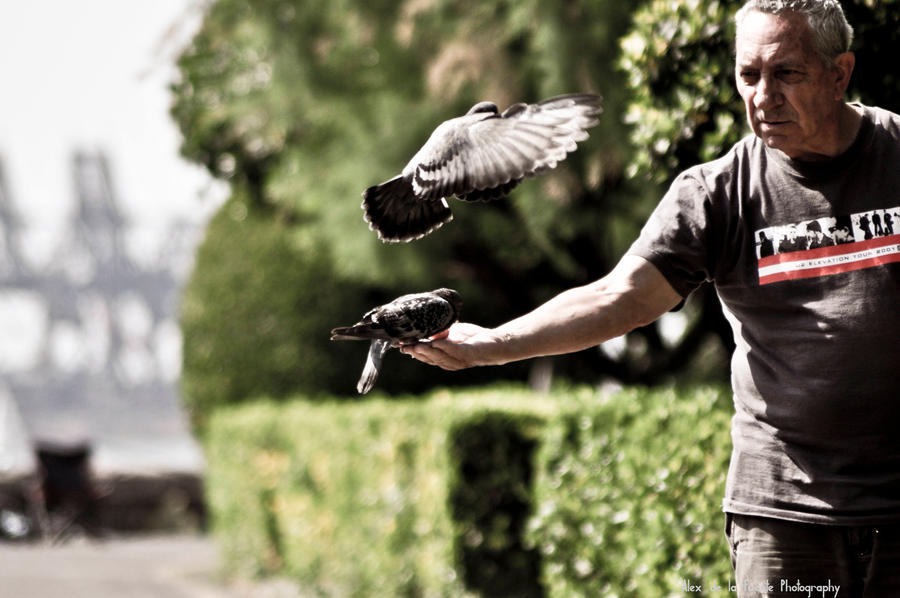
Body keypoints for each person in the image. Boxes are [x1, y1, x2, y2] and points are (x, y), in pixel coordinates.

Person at [403, 1, 900, 595]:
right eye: (748, 75)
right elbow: (619, 296)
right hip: (784, 515)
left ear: (839, 73)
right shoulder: (717, 193)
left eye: (786, 73)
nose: (763, 95)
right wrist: (494, 345)